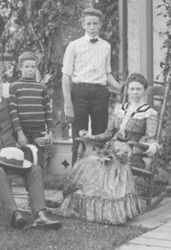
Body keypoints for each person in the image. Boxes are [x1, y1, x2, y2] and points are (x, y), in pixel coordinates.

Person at [0, 68, 61, 230]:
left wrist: (44, 134)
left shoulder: (11, 105)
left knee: (34, 169)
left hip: (11, 155)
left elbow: (26, 122)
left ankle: (40, 215)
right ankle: (15, 214)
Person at [54, 73, 159, 224]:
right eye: (132, 89)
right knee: (90, 161)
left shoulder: (149, 113)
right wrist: (90, 137)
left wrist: (141, 148)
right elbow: (109, 133)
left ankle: (109, 211)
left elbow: (150, 138)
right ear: (127, 90)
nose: (135, 92)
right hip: (110, 148)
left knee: (110, 166)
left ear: (144, 91)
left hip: (129, 152)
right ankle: (85, 207)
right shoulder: (120, 109)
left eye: (139, 89)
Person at [61, 7, 121, 164]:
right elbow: (66, 76)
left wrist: (121, 87)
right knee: (78, 136)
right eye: (89, 23)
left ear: (101, 24)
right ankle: (75, 176)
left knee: (100, 135)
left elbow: (107, 74)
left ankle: (99, 177)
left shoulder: (106, 46)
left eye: (95, 23)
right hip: (79, 92)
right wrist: (68, 104)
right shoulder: (74, 46)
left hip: (100, 93)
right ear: (83, 25)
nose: (92, 27)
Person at [9, 51, 54, 168]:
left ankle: (39, 186)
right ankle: (26, 185)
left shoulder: (42, 87)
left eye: (33, 67)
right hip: (23, 132)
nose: (30, 70)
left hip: (39, 132)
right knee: (25, 162)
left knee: (38, 163)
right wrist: (19, 133)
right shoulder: (15, 86)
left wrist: (50, 132)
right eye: (27, 66)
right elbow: (13, 111)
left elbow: (47, 111)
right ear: (20, 68)